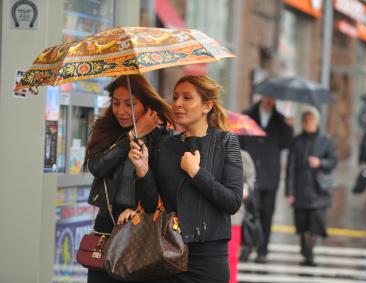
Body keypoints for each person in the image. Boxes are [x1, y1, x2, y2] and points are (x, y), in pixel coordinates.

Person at [121, 75, 243, 283]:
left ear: (207, 106)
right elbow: (152, 205)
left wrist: (197, 173)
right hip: (167, 253)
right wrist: (143, 170)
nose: (177, 103)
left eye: (187, 98)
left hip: (208, 260)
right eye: (175, 97)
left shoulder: (226, 142)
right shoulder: (164, 145)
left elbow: (232, 202)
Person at [81, 74, 174, 283]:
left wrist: (139, 210)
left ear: (147, 105)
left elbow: (160, 191)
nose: (121, 111)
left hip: (142, 230)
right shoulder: (105, 129)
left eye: (130, 104)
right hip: (106, 226)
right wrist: (133, 135)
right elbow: (97, 166)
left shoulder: (162, 139)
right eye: (115, 103)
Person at [239, 96, 293, 262]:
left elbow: (286, 143)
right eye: (268, 98)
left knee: (267, 214)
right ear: (263, 98)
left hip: (270, 174)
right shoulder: (247, 115)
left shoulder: (281, 120)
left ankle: (263, 249)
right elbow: (239, 142)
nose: (271, 101)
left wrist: (289, 128)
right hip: (250, 173)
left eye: (274, 99)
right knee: (249, 213)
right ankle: (247, 247)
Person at [285, 110, 337, 266]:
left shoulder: (325, 140)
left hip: (318, 190)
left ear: (317, 121)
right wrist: (289, 191)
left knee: (316, 225)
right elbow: (290, 168)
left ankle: (309, 251)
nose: (308, 123)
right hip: (300, 190)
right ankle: (304, 245)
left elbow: (333, 161)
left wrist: (320, 162)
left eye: (311, 120)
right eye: (305, 120)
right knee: (301, 225)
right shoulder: (296, 141)